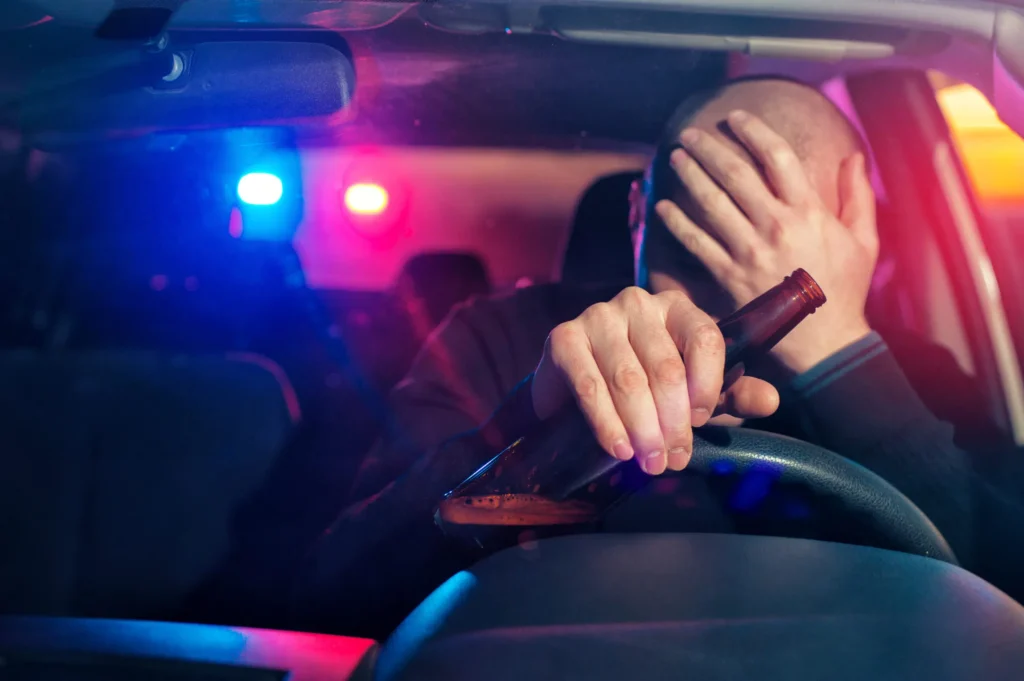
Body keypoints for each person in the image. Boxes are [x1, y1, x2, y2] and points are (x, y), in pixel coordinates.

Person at [292, 76, 1024, 637]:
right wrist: (539, 423)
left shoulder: (905, 373)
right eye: (699, 230)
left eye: (778, 228)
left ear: (854, 231)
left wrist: (836, 354)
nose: (719, 312)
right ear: (638, 213)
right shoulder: (502, 339)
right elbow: (338, 593)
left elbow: (1004, 604)